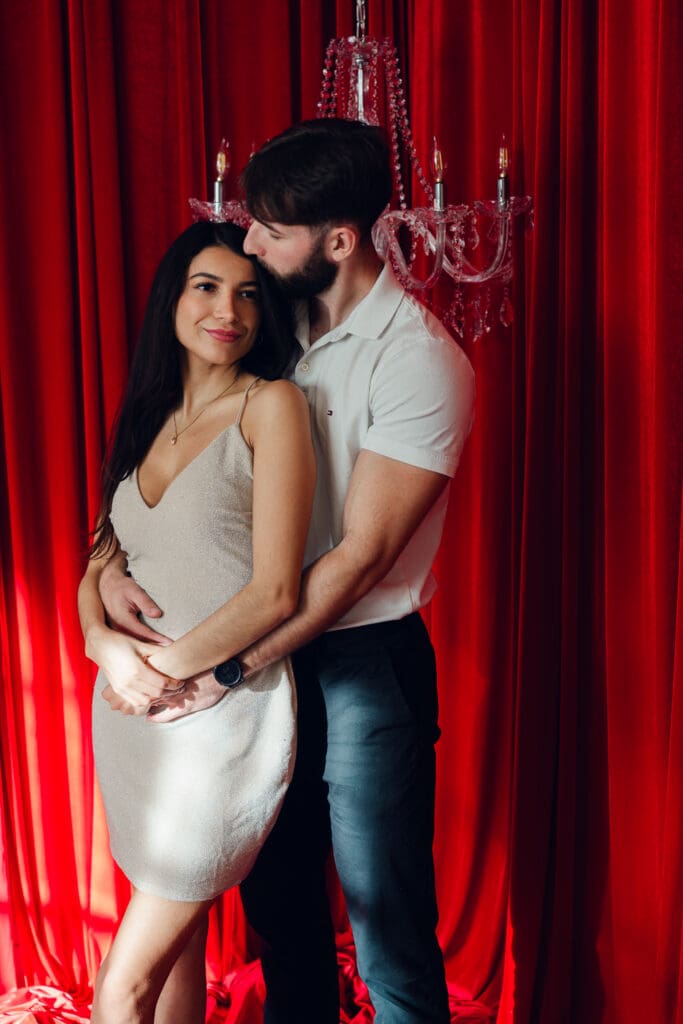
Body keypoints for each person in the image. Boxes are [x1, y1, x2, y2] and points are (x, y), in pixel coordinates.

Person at [99, 119, 476, 1024]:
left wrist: (227, 664)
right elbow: (155, 485)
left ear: (337, 241)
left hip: (359, 661)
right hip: (251, 651)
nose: (248, 243)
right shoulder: (265, 327)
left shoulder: (421, 361)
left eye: (269, 229)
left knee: (385, 920)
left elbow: (357, 560)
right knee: (281, 918)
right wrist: (102, 596)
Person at [78, 220, 315, 1024]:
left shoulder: (271, 406)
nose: (229, 310)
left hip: (216, 717)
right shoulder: (149, 417)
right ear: (171, 300)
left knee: (122, 985)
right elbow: (99, 561)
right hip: (136, 716)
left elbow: (277, 591)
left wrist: (164, 669)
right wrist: (100, 644)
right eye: (206, 287)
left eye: (249, 293)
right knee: (178, 956)